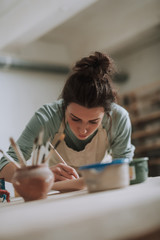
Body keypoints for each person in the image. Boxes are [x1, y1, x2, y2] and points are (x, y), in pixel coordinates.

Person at [0, 51, 135, 183]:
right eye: (75, 119)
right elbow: (5, 164)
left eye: (94, 121)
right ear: (64, 105)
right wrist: (40, 176)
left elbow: (124, 168)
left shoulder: (118, 118)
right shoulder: (48, 117)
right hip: (58, 191)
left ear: (106, 113)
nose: (83, 130)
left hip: (100, 185)